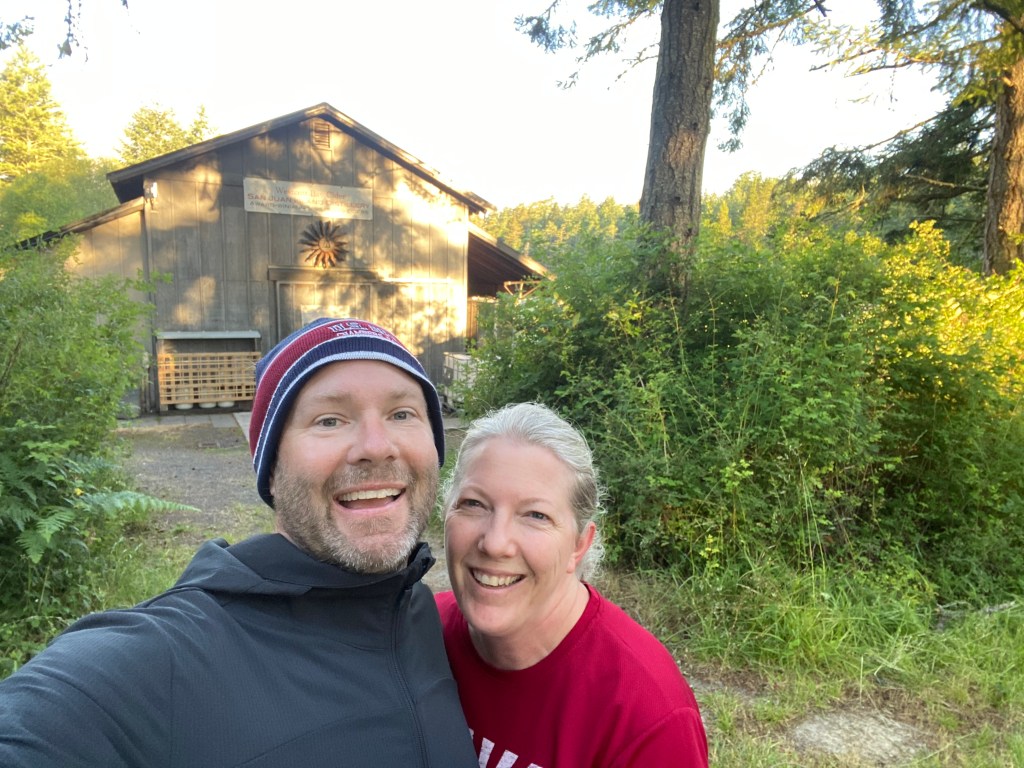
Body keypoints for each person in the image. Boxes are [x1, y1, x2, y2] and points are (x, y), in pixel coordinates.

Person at [0, 317, 478, 768]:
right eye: (329, 420)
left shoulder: (423, 614)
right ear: (271, 470)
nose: (376, 446)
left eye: (401, 413)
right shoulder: (169, 657)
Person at [436, 402, 709, 768]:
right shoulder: (418, 635)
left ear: (579, 544)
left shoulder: (645, 714)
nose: (495, 543)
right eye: (474, 504)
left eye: (536, 515)